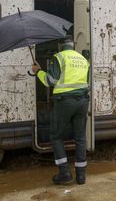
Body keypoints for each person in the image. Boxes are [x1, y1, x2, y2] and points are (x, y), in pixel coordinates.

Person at [31, 37, 90, 185]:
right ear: (73, 45)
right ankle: (81, 176)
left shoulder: (58, 58)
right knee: (80, 138)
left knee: (56, 136)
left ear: (60, 46)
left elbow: (50, 81)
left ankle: (64, 173)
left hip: (64, 102)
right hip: (82, 101)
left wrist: (38, 71)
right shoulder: (83, 59)